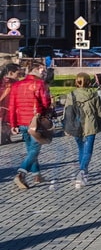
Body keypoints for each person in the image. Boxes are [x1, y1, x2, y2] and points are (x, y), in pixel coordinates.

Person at [7, 61, 53, 189]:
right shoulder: (39, 84)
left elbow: (12, 106)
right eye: (42, 70)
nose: (44, 72)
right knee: (34, 150)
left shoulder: (16, 85)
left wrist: (13, 124)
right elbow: (45, 103)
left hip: (21, 122)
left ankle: (37, 175)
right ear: (36, 70)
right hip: (35, 122)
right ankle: (21, 174)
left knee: (30, 150)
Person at [62, 72, 101, 188]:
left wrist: (66, 127)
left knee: (81, 149)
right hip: (90, 124)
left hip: (76, 125)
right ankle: (82, 171)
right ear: (88, 82)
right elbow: (100, 112)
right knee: (88, 150)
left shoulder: (71, 95)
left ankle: (83, 172)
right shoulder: (94, 94)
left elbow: (67, 112)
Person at [0, 62, 21, 145]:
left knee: (4, 122)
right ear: (11, 73)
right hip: (8, 105)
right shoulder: (11, 82)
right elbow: (8, 91)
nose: (19, 76)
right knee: (6, 122)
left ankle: (5, 137)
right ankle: (5, 137)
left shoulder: (2, 80)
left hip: (4, 105)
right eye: (18, 74)